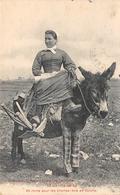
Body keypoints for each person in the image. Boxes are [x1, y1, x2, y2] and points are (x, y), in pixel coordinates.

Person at [31, 30, 81, 127]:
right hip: (46, 77)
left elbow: (71, 64)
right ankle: (37, 114)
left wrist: (70, 69)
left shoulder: (61, 53)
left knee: (66, 78)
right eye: (45, 39)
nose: (47, 41)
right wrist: (43, 74)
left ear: (55, 40)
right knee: (40, 85)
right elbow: (35, 68)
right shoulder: (41, 54)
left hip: (58, 77)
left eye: (49, 39)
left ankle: (69, 104)